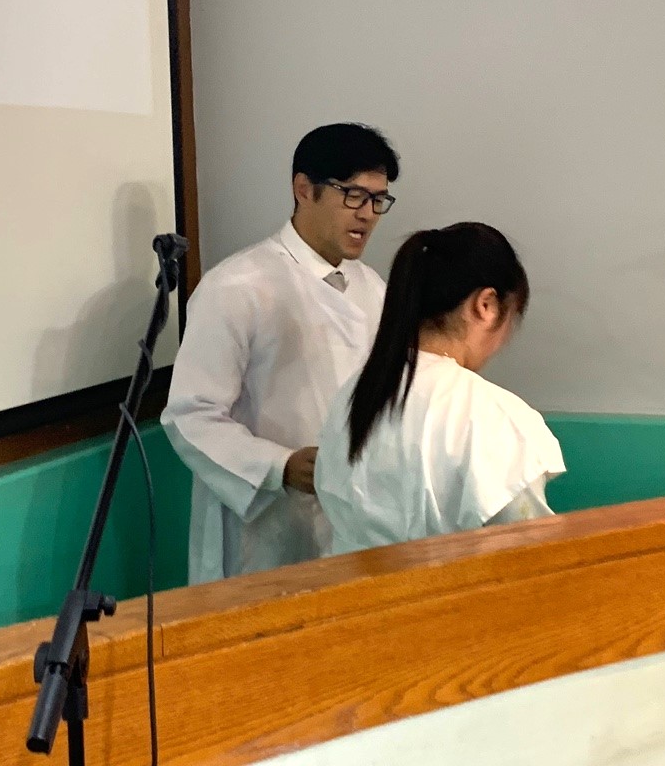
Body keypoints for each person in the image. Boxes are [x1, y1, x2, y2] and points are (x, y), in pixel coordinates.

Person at [162, 122, 400, 583]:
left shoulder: (373, 288)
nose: (368, 214)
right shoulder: (237, 286)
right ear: (304, 189)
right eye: (353, 195)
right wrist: (280, 466)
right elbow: (190, 415)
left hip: (350, 522)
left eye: (378, 200)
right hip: (263, 527)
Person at [314, 222, 565, 555]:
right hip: (447, 589)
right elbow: (531, 552)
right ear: (486, 305)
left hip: (351, 585)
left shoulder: (354, 395)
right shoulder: (490, 416)